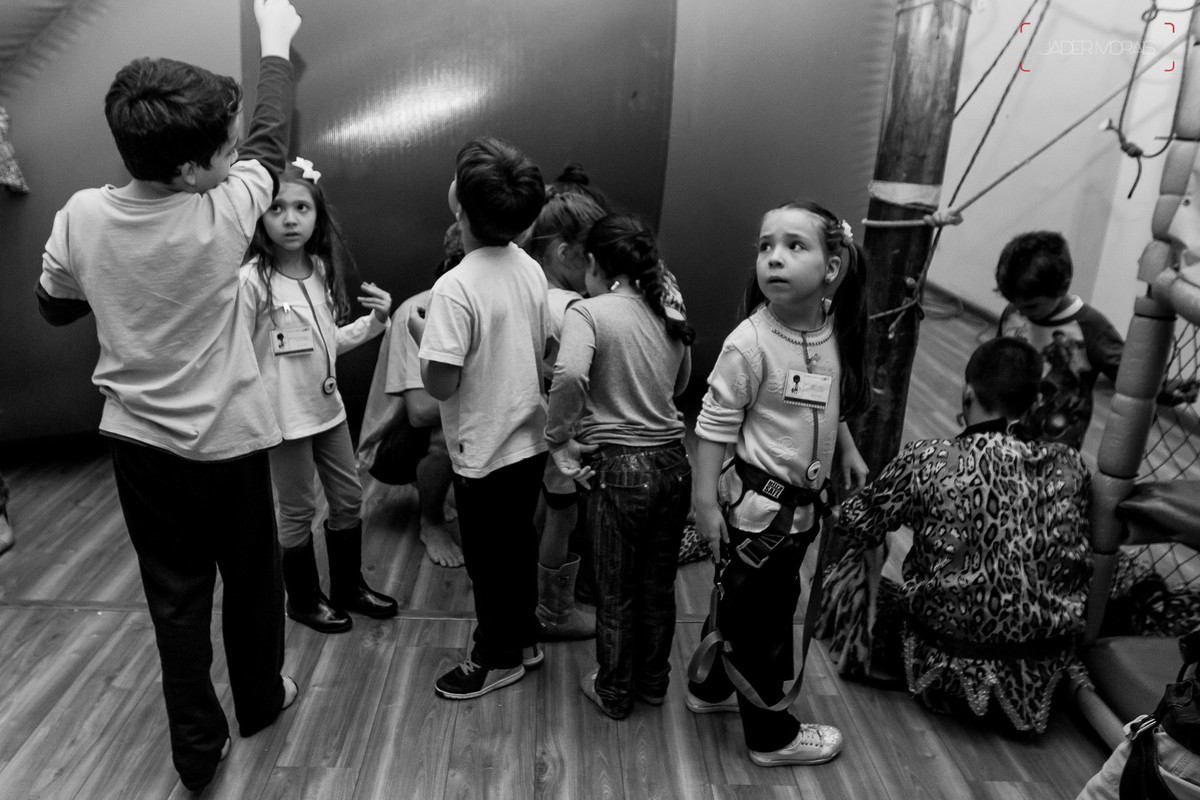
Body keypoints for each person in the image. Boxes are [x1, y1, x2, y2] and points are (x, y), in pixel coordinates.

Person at [34, 0, 301, 789]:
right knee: (252, 581)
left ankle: (196, 746)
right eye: (223, 148)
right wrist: (278, 44)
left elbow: (53, 304)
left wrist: (119, 292)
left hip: (138, 445)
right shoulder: (225, 208)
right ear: (190, 171)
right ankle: (259, 701)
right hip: (225, 443)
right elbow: (272, 138)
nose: (236, 152)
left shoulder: (82, 215)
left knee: (175, 595)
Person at [817, 337, 1092, 736]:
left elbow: (858, 525)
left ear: (967, 392)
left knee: (844, 581)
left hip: (949, 671)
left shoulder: (927, 459)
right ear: (1033, 403)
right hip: (1041, 678)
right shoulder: (1069, 465)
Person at [686, 198, 870, 767]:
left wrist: (847, 445)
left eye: (795, 246)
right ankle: (771, 736)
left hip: (796, 511)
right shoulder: (750, 342)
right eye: (766, 246)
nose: (774, 258)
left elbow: (825, 399)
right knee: (762, 617)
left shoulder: (828, 330)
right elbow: (713, 424)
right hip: (756, 510)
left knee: (745, 599)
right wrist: (703, 503)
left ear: (831, 269)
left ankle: (710, 687)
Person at [239, 159, 399, 634]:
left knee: (349, 499)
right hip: (284, 422)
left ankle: (348, 587)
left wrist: (376, 323)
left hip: (328, 411)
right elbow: (236, 356)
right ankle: (304, 599)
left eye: (301, 208)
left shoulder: (321, 269)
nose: (290, 219)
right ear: (259, 218)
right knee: (297, 510)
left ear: (317, 216)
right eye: (277, 208)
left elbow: (327, 340)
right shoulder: (252, 281)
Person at [416, 136, 549, 700]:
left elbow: (440, 383)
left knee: (488, 564)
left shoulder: (455, 286)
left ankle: (496, 657)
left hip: (481, 453)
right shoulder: (529, 267)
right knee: (517, 546)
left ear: (459, 206)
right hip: (528, 441)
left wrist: (422, 338)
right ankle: (524, 637)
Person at [546, 213, 694, 718]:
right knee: (656, 586)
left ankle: (613, 690)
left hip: (618, 471)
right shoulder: (669, 310)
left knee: (615, 592)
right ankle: (653, 683)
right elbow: (679, 384)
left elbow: (567, 375)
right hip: (674, 465)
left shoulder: (589, 313)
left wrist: (558, 439)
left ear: (593, 263)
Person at [524, 187, 607, 639]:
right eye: (589, 257)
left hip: (534, 427)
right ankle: (553, 614)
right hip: (564, 433)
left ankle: (530, 592)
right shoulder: (573, 306)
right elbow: (573, 375)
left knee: (543, 509)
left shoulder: (531, 291)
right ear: (562, 252)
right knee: (563, 515)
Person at [359, 222, 466, 567]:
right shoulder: (418, 311)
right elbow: (420, 411)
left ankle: (432, 491)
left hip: (432, 424)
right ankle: (430, 522)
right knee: (445, 429)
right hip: (387, 451)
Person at [995, 231, 1123, 449]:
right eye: (1014, 303)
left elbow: (1130, 374)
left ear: (1062, 287)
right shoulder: (1013, 313)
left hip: (1057, 443)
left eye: (1031, 306)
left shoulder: (1090, 326)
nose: (1021, 313)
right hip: (1007, 433)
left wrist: (1163, 390)